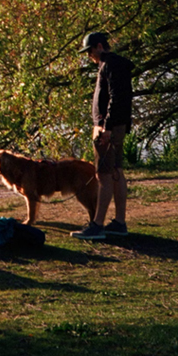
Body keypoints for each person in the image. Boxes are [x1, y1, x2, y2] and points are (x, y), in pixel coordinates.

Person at [71, 32, 134, 240]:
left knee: (104, 175)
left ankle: (97, 225)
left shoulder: (109, 65)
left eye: (89, 51)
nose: (89, 56)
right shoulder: (114, 65)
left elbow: (115, 98)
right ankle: (119, 222)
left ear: (99, 46)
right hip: (116, 126)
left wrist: (105, 127)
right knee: (116, 171)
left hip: (108, 128)